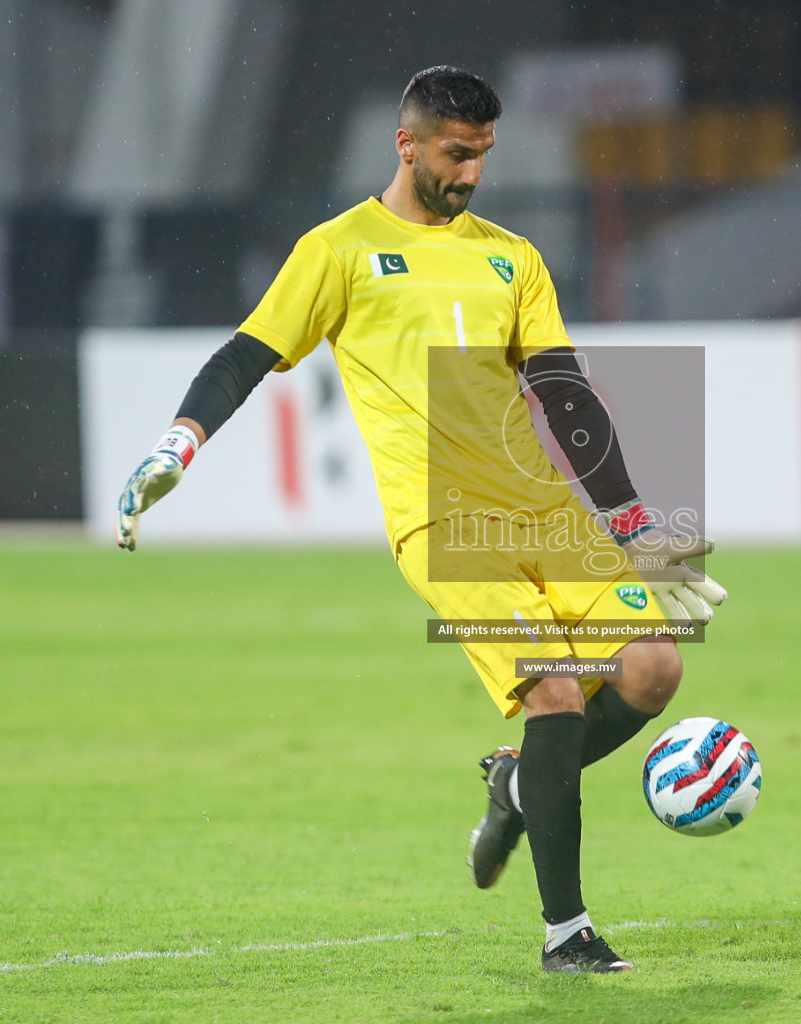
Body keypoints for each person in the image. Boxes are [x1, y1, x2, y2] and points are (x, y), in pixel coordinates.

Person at [111, 66, 726, 974]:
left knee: (653, 666)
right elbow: (247, 353)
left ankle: (519, 782)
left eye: (482, 156)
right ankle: (567, 934)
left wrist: (635, 522)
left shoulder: (511, 256)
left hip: (545, 512)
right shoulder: (340, 249)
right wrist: (179, 443)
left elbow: (562, 392)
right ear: (407, 143)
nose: (471, 173)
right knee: (554, 690)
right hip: (443, 525)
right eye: (455, 154)